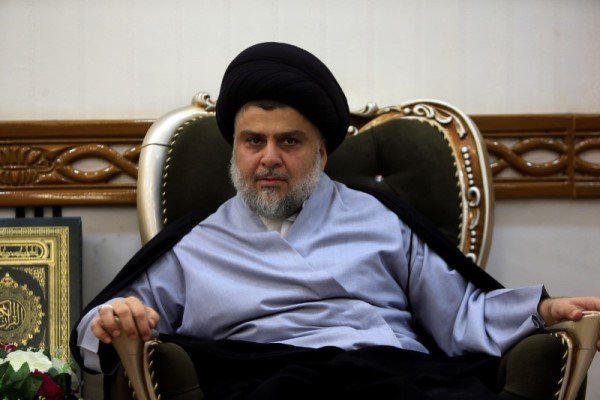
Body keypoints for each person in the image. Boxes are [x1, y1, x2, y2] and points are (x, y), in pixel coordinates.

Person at [70, 42, 600, 399]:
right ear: (235, 152)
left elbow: (461, 316)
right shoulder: (195, 241)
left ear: (322, 153)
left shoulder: (380, 218)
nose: (269, 158)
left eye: (289, 141)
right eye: (254, 141)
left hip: (390, 377)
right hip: (253, 380)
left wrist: (544, 309)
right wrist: (116, 318)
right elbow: (100, 328)